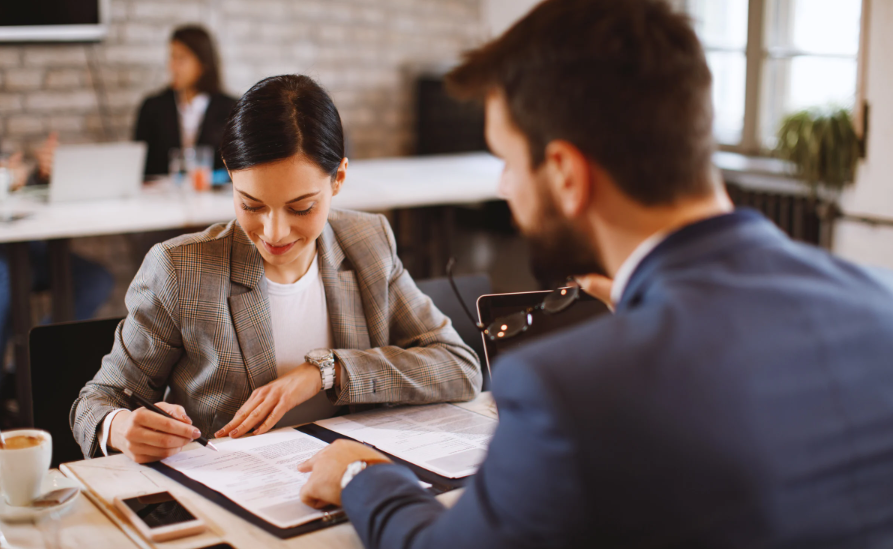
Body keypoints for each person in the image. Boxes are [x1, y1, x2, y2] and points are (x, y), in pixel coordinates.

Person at [296, 1, 893, 547]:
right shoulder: (880, 303)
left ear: (564, 174)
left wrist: (359, 475)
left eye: (506, 162)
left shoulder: (566, 388)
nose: (505, 187)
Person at [70, 74, 482, 463]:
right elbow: (97, 402)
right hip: (233, 496)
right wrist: (120, 428)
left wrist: (328, 371)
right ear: (230, 175)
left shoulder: (368, 241)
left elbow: (460, 367)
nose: (274, 232)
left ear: (338, 178)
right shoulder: (181, 269)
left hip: (349, 483)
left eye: (301, 207)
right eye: (251, 205)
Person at [134, 25, 237, 176]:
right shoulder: (152, 107)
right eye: (172, 57)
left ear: (202, 64)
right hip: (160, 197)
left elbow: (239, 168)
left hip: (214, 197)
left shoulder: (231, 109)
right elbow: (139, 166)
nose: (172, 67)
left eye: (181, 58)